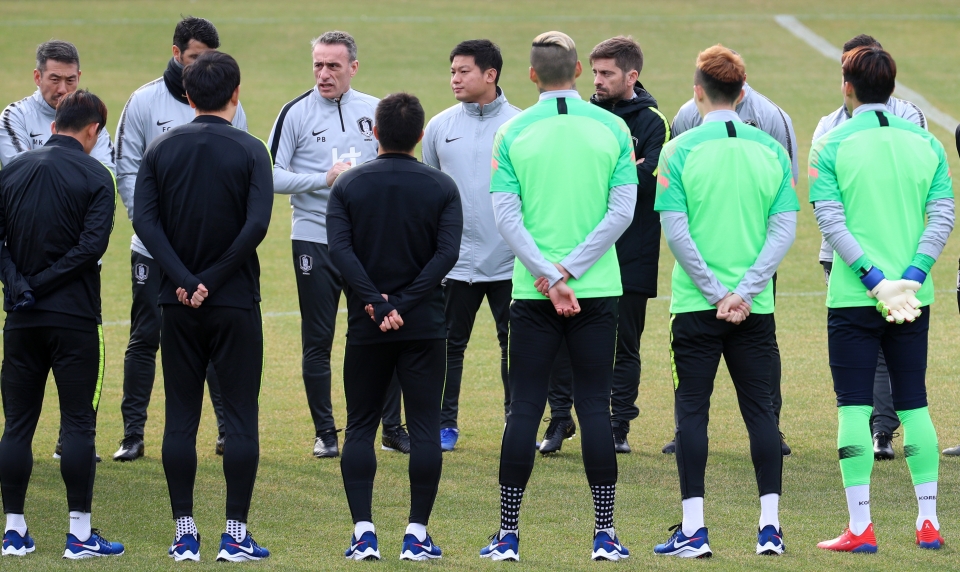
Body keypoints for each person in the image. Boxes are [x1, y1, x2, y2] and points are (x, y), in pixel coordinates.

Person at [478, 31, 637, 562]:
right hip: (596, 292)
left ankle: (507, 535)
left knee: (523, 408)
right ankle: (605, 534)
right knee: (594, 407)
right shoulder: (614, 128)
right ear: (577, 71)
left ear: (530, 76)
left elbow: (506, 216)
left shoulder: (512, 131)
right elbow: (621, 214)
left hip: (532, 292)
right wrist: (571, 270)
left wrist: (547, 274)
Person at [652, 45, 798, 558]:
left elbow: (676, 231)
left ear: (698, 91)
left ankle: (695, 530)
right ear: (742, 92)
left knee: (691, 412)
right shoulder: (772, 151)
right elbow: (783, 230)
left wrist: (716, 293)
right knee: (762, 415)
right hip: (753, 309)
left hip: (696, 307)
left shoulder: (678, 150)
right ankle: (770, 528)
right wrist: (746, 291)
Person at [811, 45, 953, 553]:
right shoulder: (926, 143)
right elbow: (942, 217)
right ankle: (929, 522)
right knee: (914, 404)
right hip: (914, 298)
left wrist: (874, 280)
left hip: (853, 295)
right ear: (893, 88)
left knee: (854, 407)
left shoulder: (830, 143)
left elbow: (831, 221)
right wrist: (909, 278)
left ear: (846, 86)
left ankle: (861, 527)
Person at [133, 51, 272, 562]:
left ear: (187, 97)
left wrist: (185, 280)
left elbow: (145, 225)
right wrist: (213, 279)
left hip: (177, 302)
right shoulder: (252, 150)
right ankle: (235, 534)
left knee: (180, 418)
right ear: (236, 94)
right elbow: (255, 226)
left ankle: (184, 532)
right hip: (235, 301)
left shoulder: (160, 150)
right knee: (239, 419)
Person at [328, 92, 461, 562]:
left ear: (375, 133)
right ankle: (416, 535)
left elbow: (340, 252)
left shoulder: (348, 186)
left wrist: (374, 303)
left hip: (368, 327)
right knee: (425, 428)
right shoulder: (441, 187)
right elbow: (445, 255)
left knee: (360, 426)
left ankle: (363, 532)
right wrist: (403, 303)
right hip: (423, 324)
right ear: (422, 136)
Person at [112, 16, 248, 463]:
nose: (202, 65)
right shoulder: (143, 101)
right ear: (176, 55)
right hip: (153, 248)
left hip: (208, 259)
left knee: (212, 336)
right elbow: (126, 168)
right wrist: (151, 230)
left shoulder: (230, 104)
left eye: (209, 57)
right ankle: (133, 433)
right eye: (194, 58)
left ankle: (228, 430)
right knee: (145, 336)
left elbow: (239, 171)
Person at [268, 30, 405, 458]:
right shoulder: (294, 113)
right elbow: (271, 175)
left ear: (353, 67)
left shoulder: (375, 110)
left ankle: (391, 428)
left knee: (382, 329)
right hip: (314, 238)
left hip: (367, 243)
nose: (324, 74)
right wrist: (322, 180)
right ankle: (326, 432)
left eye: (333, 66)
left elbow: (394, 162)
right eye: (318, 65)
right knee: (318, 338)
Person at [0, 90, 124, 559]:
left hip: (20, 320)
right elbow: (90, 248)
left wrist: (20, 284)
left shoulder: (11, 171)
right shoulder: (97, 176)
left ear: (55, 124)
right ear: (92, 130)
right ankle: (79, 535)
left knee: (17, 426)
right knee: (77, 425)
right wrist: (44, 282)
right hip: (74, 321)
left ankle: (14, 531)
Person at [538, 35, 669, 455]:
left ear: (632, 76)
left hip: (632, 252)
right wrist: (621, 170)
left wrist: (613, 175)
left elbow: (649, 181)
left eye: (607, 73)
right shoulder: (583, 115)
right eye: (594, 71)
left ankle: (618, 426)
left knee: (624, 344)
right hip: (576, 251)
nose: (597, 80)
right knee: (558, 339)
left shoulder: (652, 121)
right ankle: (560, 418)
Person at [814, 34, 927, 462]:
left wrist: (869, 272)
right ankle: (883, 432)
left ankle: (877, 433)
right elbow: (934, 202)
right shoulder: (915, 123)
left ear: (848, 80)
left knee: (858, 378)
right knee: (905, 377)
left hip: (850, 263)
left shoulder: (829, 132)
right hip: (903, 260)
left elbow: (828, 210)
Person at [0, 39, 115, 462]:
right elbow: (27, 179)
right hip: (38, 274)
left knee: (69, 401)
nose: (62, 87)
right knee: (21, 415)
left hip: (53, 282)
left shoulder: (94, 118)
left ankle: (68, 445)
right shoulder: (14, 117)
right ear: (37, 77)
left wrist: (26, 282)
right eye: (54, 79)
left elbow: (99, 170)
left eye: (70, 79)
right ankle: (78, 527)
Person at [422, 39, 520, 452]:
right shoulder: (440, 127)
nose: (454, 79)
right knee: (448, 346)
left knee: (514, 345)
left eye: (463, 71)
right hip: (455, 262)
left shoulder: (520, 124)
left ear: (490, 75)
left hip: (512, 261)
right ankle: (445, 424)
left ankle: (517, 420)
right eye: (452, 71)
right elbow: (426, 193)